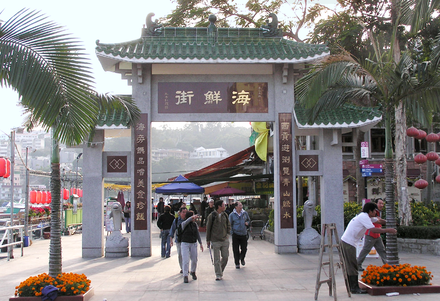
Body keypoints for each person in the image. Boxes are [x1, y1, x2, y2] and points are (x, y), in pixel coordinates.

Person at [341, 202, 397, 294]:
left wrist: (390, 222)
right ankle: (354, 288)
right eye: (375, 210)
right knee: (352, 265)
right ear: (370, 211)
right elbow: (373, 229)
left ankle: (351, 287)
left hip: (349, 242)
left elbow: (378, 221)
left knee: (351, 264)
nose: (376, 212)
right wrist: (388, 230)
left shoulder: (367, 217)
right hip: (348, 243)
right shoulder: (364, 217)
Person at [357, 198, 387, 271]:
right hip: (371, 234)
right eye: (380, 203)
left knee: (382, 250)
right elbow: (375, 221)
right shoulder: (372, 212)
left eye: (382, 203)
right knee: (366, 250)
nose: (381, 205)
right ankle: (357, 264)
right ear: (376, 204)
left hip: (377, 235)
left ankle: (387, 264)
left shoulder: (379, 212)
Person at [206, 200, 231, 281]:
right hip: (215, 240)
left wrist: (227, 234)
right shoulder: (212, 216)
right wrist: (208, 240)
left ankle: (220, 269)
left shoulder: (225, 215)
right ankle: (218, 274)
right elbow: (208, 228)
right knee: (216, 259)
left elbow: (228, 225)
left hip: (224, 239)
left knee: (225, 257)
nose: (224, 206)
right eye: (223, 205)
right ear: (219, 207)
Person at [180, 210, 204, 283]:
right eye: (192, 217)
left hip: (193, 243)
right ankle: (185, 275)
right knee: (186, 260)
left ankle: (193, 271)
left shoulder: (194, 225)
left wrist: (200, 243)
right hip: (185, 243)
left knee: (194, 259)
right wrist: (191, 218)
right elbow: (186, 222)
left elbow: (197, 234)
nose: (194, 218)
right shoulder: (184, 224)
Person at [229, 201, 250, 269]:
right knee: (236, 249)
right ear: (236, 207)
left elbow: (248, 220)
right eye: (240, 205)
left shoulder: (244, 213)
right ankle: (237, 263)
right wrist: (232, 232)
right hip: (236, 234)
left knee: (244, 248)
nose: (241, 207)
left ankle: (242, 257)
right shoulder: (232, 215)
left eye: (241, 205)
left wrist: (247, 223)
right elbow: (230, 224)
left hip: (243, 233)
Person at [170, 207, 188, 273]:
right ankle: (182, 268)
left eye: (186, 212)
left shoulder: (188, 220)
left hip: (186, 240)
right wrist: (171, 239)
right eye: (183, 212)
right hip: (179, 240)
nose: (184, 214)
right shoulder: (176, 220)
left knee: (186, 255)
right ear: (179, 213)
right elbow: (172, 229)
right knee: (180, 254)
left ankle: (185, 268)